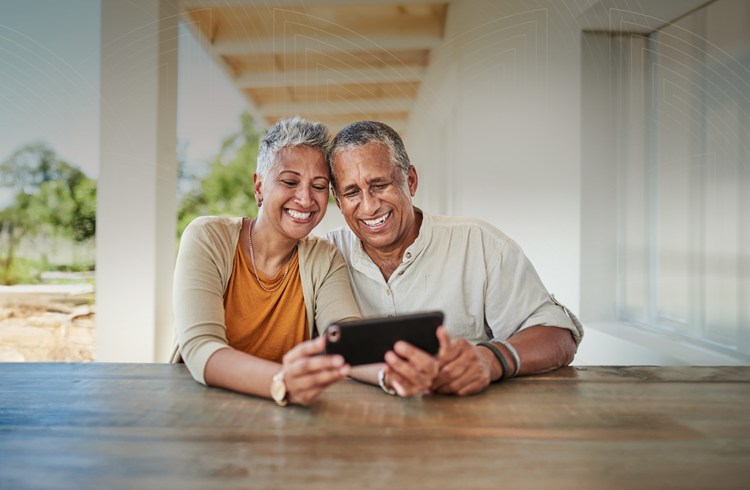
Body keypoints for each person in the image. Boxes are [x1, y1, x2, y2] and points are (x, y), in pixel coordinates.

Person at [325, 121, 584, 397]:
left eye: (380, 184)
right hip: (359, 428)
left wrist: (493, 359)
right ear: (338, 202)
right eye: (352, 192)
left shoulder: (480, 243)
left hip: (470, 424)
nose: (369, 205)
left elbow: (558, 334)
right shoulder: (325, 256)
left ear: (410, 181)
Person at [170, 117, 366, 406]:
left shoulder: (323, 258)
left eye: (319, 186)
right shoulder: (208, 237)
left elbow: (351, 345)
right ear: (259, 187)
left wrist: (397, 373)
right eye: (289, 181)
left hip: (283, 415)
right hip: (201, 409)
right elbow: (200, 348)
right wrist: (282, 381)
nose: (305, 198)